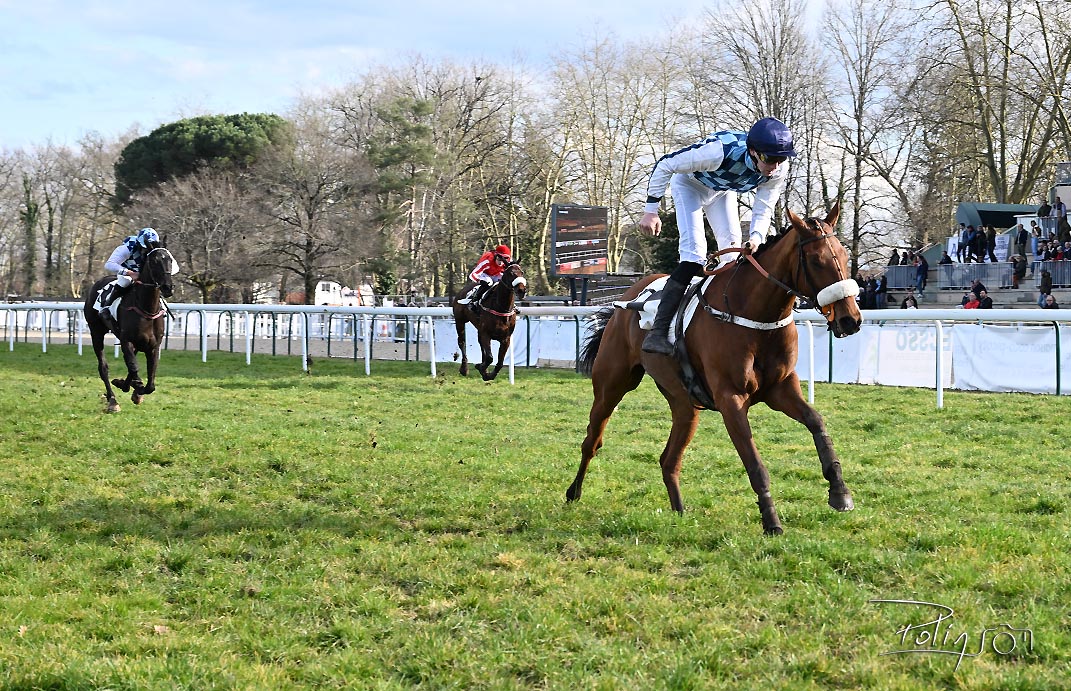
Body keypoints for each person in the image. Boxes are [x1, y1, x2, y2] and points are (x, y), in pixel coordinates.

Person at [638, 117, 795, 355]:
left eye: (780, 159)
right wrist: (651, 210)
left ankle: (727, 328)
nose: (774, 166)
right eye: (769, 159)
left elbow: (764, 206)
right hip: (690, 186)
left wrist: (756, 237)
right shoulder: (717, 152)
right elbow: (665, 164)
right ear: (753, 152)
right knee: (694, 256)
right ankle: (658, 333)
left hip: (722, 191)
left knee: (733, 260)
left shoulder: (777, 170)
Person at [97, 227, 162, 333]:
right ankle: (107, 306)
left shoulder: (157, 250)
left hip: (145, 277)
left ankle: (161, 308)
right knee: (125, 281)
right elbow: (109, 264)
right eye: (145, 248)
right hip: (127, 273)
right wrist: (129, 273)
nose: (147, 250)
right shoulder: (127, 248)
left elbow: (173, 267)